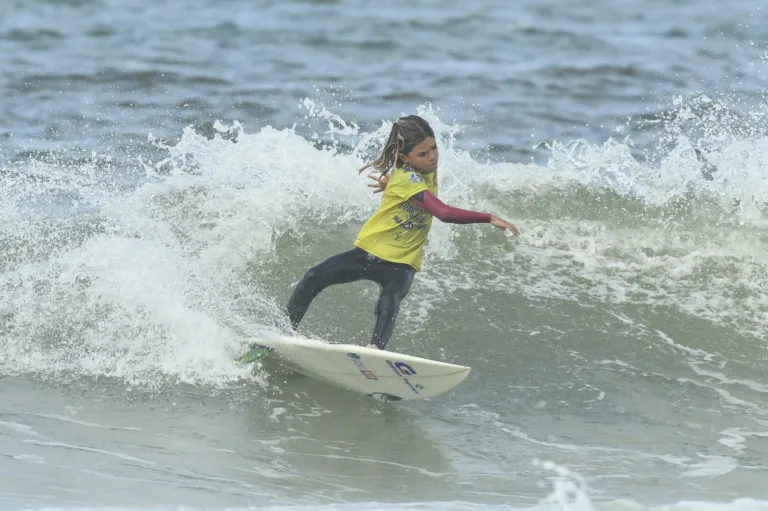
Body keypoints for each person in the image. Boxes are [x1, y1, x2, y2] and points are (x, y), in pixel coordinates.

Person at [285, 115, 519, 350]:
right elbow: (444, 213)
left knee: (388, 305)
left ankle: (374, 354)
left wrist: (394, 186)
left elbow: (413, 184)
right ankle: (283, 332)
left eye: (434, 148)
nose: (433, 157)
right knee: (314, 277)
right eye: (423, 153)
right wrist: (489, 217)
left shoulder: (421, 169)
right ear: (405, 157)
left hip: (404, 263)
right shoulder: (406, 177)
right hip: (373, 252)